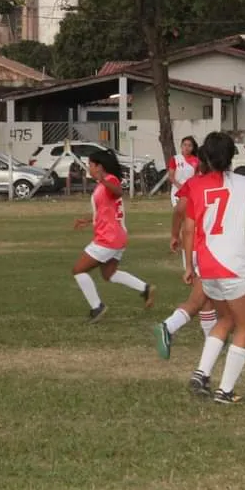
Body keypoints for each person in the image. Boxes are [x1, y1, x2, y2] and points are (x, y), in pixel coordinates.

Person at [183, 132, 245, 404]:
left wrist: (189, 265)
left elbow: (189, 228)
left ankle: (201, 372)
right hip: (234, 265)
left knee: (226, 319)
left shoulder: (196, 186)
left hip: (207, 265)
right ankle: (224, 391)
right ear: (231, 156)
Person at [71, 150, 155, 323]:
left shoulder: (109, 180)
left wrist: (102, 179)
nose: (89, 168)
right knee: (109, 274)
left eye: (91, 164)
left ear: (99, 166)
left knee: (78, 270)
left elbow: (117, 192)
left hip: (108, 238)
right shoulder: (104, 184)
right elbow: (106, 210)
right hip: (116, 236)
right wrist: (88, 220)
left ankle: (97, 307)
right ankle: (145, 288)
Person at [154, 171, 220, 359]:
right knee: (198, 299)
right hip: (208, 246)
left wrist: (175, 235)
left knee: (206, 297)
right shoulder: (225, 182)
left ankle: (211, 341)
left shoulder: (193, 183)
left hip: (194, 245)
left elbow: (179, 209)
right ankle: (168, 327)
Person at [168, 136, 199, 207]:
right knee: (179, 212)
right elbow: (171, 176)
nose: (187, 147)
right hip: (177, 189)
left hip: (191, 190)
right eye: (185, 145)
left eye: (189, 145)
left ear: (193, 147)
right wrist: (179, 186)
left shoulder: (196, 160)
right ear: (181, 146)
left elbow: (197, 176)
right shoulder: (175, 159)